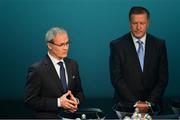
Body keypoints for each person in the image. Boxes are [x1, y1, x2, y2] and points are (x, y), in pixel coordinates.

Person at [109, 6, 168, 109]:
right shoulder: (117, 46)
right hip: (125, 107)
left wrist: (149, 103)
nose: (138, 27)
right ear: (129, 24)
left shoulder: (159, 45)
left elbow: (163, 79)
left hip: (154, 107)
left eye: (142, 23)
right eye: (135, 23)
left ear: (148, 24)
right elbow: (117, 79)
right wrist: (136, 103)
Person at [25, 27, 85, 118]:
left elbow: (79, 92)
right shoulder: (37, 70)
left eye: (67, 43)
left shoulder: (73, 64)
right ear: (49, 45)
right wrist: (59, 103)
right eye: (61, 45)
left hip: (71, 116)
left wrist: (75, 101)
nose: (65, 48)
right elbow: (30, 101)